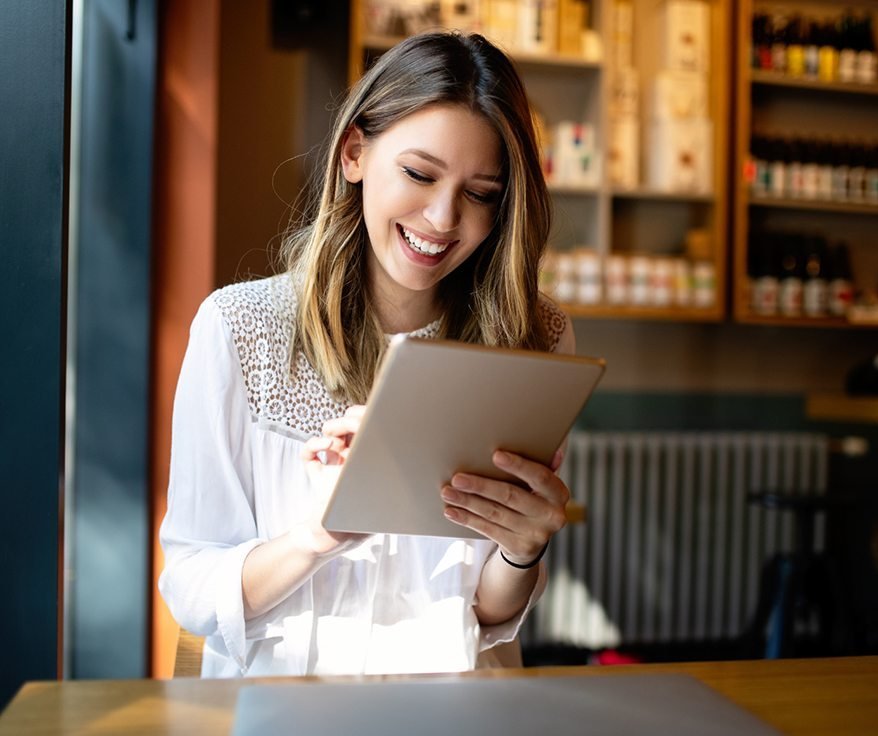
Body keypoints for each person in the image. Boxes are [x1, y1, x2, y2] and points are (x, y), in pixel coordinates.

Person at [159, 30, 576, 678]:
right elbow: (192, 587)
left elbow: (489, 623)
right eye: (419, 173)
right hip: (286, 711)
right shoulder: (237, 328)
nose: (442, 217)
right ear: (354, 151)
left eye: (481, 193)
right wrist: (319, 536)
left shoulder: (535, 336)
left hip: (458, 714)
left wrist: (521, 553)